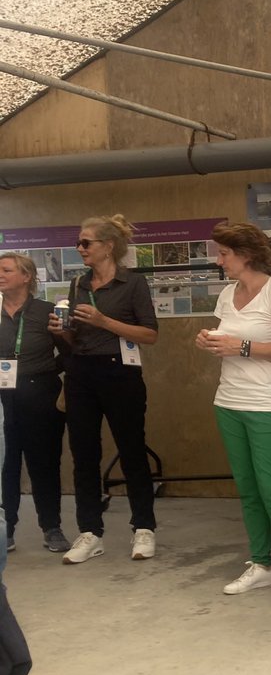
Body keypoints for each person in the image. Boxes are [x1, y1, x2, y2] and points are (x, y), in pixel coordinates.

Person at [196, 223, 271, 610]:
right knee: (247, 490)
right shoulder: (228, 294)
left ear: (245, 254)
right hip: (229, 401)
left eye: (224, 253)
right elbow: (228, 340)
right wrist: (211, 342)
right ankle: (261, 565)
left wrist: (239, 346)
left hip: (269, 405)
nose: (219, 260)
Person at [48, 215, 160, 564]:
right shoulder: (78, 283)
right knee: (83, 454)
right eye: (78, 243)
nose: (79, 248)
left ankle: (143, 528)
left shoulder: (133, 284)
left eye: (86, 243)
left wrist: (103, 321)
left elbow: (149, 334)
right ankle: (90, 531)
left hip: (120, 372)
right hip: (80, 372)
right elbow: (75, 338)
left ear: (108, 246)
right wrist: (60, 331)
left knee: (131, 451)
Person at [0, 253, 69, 557]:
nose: (0, 274)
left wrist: (45, 371)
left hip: (40, 394)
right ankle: (6, 530)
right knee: (5, 465)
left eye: (6, 270)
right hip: (2, 397)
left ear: (26, 277)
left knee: (44, 464)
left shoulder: (46, 311)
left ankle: (52, 528)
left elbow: (69, 351)